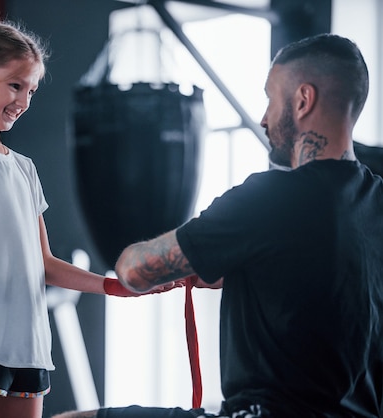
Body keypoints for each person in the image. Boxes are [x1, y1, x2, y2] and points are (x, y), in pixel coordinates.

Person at [53, 33, 383, 418]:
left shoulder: (270, 197)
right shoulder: (375, 202)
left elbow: (135, 271)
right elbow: (328, 289)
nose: (264, 117)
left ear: (303, 99)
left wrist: (157, 256)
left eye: (271, 99)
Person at [0, 20, 175, 418]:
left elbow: (45, 264)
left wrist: (117, 286)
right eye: (15, 85)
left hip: (29, 349)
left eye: (32, 90)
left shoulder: (24, 169)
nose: (24, 100)